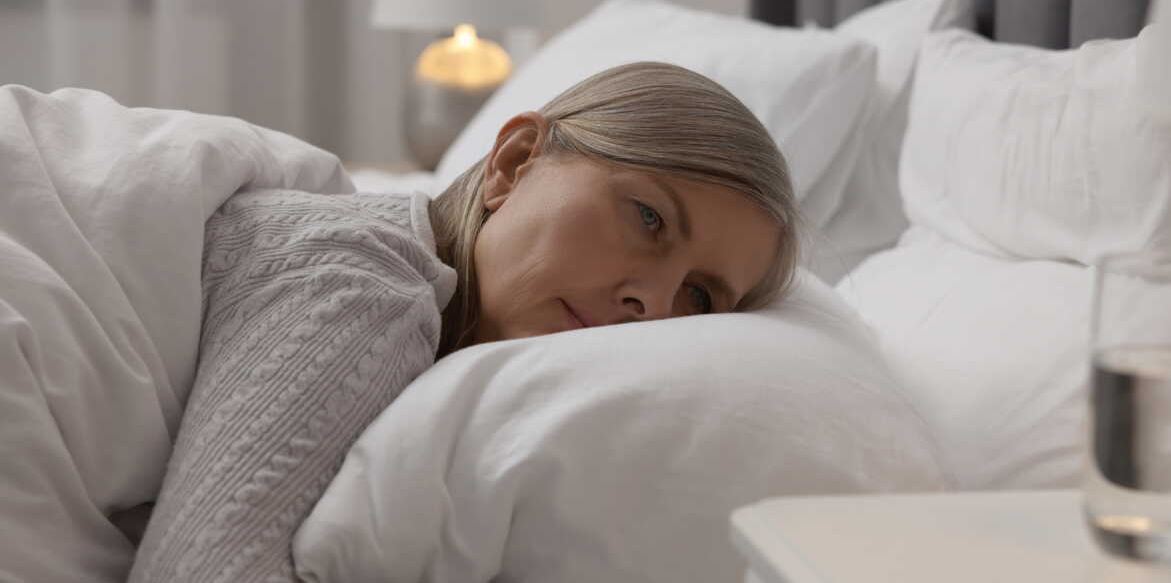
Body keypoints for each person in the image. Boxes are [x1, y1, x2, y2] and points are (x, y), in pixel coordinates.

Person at [127, 61, 800, 582]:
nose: (652, 302)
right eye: (648, 217)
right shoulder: (365, 285)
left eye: (700, 298)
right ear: (514, 164)